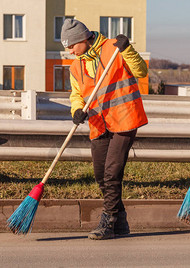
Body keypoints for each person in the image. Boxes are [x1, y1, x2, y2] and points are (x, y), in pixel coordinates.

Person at [60, 19, 148, 240]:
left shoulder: (114, 48)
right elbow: (77, 95)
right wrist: (77, 110)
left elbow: (141, 71)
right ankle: (121, 221)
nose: (69, 51)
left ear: (82, 38)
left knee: (111, 173)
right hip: (99, 123)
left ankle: (108, 221)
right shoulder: (76, 66)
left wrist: (127, 49)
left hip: (125, 118)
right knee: (101, 174)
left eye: (71, 46)